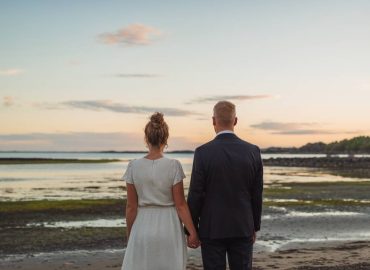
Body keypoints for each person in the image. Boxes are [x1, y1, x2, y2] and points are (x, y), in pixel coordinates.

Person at [186, 101, 264, 270]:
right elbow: (257, 194)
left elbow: (195, 194)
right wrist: (254, 226)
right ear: (235, 121)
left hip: (212, 227)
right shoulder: (253, 151)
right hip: (242, 226)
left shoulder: (202, 152)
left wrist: (191, 229)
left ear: (213, 121)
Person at [121, 112, 200, 270]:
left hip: (142, 225)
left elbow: (131, 207)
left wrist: (131, 234)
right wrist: (193, 232)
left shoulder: (133, 166)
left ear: (146, 139)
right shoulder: (173, 165)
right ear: (165, 139)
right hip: (169, 226)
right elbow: (181, 205)